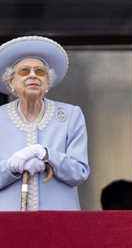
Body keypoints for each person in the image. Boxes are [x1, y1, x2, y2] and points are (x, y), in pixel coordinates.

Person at [0, 35, 90, 210]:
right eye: (24, 71)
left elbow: (80, 172)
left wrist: (48, 155)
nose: (33, 75)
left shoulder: (71, 115)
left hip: (58, 220)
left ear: (47, 82)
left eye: (40, 72)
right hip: (7, 221)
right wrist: (11, 166)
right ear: (11, 82)